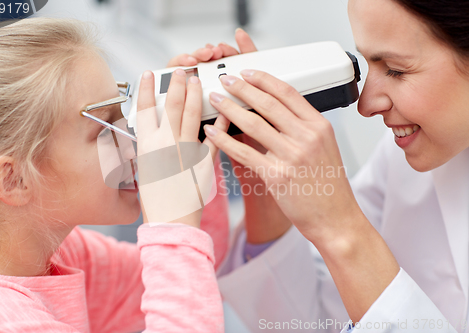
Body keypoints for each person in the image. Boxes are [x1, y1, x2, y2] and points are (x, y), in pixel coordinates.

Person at [172, 0, 469, 331]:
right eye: (369, 63)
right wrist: (259, 162)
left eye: (396, 70)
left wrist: (343, 229)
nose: (366, 104)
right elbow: (311, 322)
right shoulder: (404, 156)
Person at [0, 17, 230, 332]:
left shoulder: (57, 253)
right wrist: (172, 227)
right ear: (13, 180)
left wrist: (192, 127)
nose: (136, 144)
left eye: (125, 117)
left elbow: (192, 270)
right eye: (105, 128)